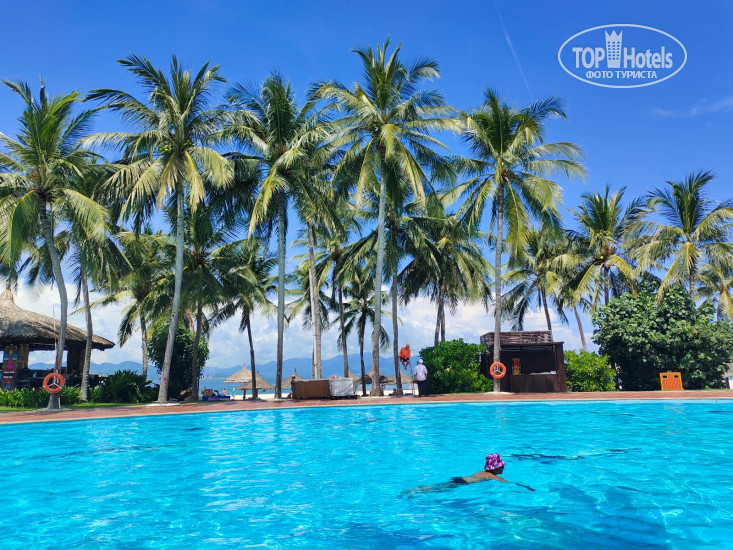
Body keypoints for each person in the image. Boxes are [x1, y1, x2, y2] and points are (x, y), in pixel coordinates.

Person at [402, 453, 534, 495]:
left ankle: (420, 489)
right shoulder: (491, 476)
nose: (503, 467)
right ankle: (419, 490)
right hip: (463, 483)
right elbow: (507, 483)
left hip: (462, 479)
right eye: (501, 466)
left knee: (440, 486)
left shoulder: (482, 472)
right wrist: (524, 487)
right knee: (439, 489)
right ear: (495, 468)